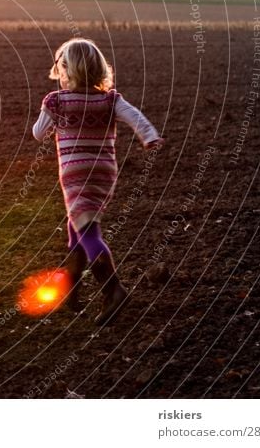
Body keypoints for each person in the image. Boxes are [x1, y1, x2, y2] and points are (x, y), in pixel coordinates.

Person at [33, 38, 163, 325]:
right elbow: (136, 118)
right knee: (76, 226)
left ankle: (113, 290)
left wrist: (52, 114)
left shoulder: (56, 101)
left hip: (74, 173)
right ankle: (72, 288)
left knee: (88, 232)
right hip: (104, 172)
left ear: (65, 69)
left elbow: (38, 133)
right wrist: (150, 137)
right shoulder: (109, 100)